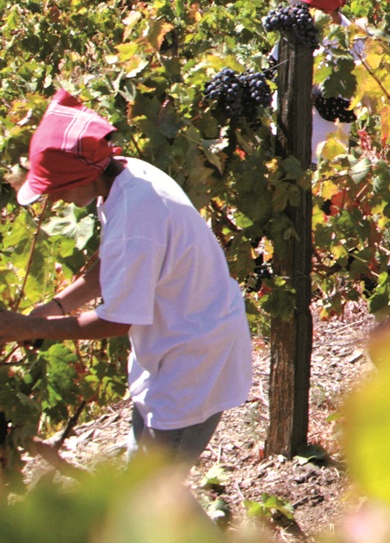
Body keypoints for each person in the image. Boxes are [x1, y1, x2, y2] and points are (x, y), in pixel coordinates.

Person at [0, 91, 252, 463]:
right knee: (151, 494)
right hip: (176, 350)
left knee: (151, 500)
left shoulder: (136, 215)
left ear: (81, 175)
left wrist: (28, 327)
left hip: (192, 363)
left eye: (59, 188)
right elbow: (112, 266)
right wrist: (54, 307)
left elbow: (118, 320)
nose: (58, 199)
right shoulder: (125, 178)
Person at [288, 0, 364, 160]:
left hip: (322, 156)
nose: (302, 12)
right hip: (286, 143)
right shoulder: (298, 30)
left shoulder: (356, 44)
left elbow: (349, 111)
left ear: (327, 11)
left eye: (307, 7)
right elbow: (273, 69)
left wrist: (314, 94)